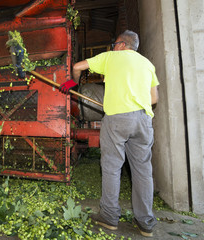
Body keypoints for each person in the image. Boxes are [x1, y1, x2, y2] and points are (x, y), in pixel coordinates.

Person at [60, 30, 159, 237]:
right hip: (143, 121)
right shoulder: (148, 64)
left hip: (117, 119)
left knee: (112, 167)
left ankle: (109, 216)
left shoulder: (112, 56)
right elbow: (154, 99)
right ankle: (145, 223)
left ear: (122, 45)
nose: (113, 47)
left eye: (115, 44)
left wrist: (72, 84)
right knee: (142, 172)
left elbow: (78, 66)